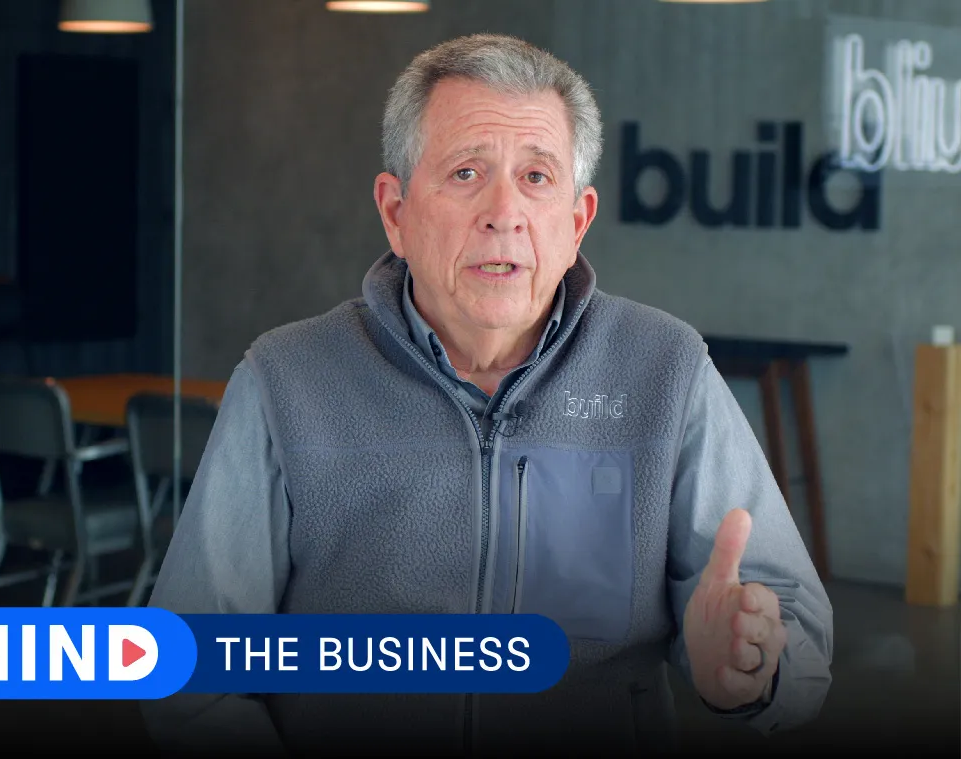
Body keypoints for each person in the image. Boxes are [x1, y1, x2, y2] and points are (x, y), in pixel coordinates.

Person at [142, 33, 832, 756]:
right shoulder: (285, 379)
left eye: (537, 177)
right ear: (395, 212)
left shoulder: (666, 369)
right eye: (466, 172)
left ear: (575, 222)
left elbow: (797, 629)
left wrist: (755, 668)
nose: (504, 211)